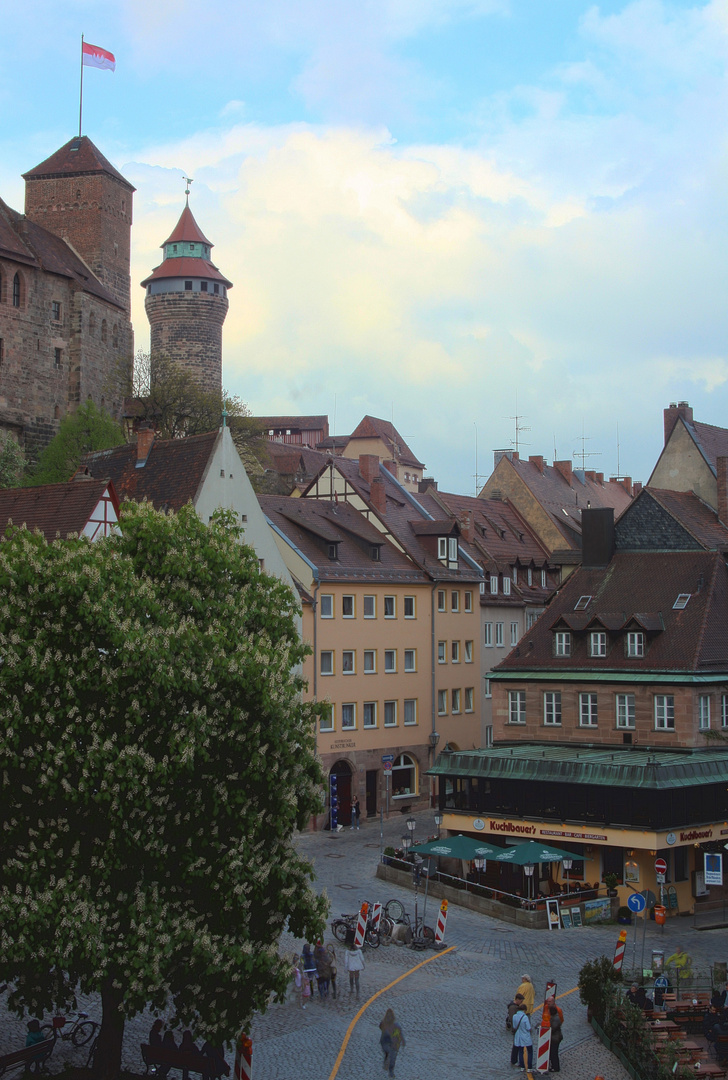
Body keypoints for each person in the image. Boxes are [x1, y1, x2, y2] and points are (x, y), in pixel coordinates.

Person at [379, 1009, 405, 1078]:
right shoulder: (394, 1025)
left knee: (389, 1055)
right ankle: (390, 1071)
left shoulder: (387, 1024)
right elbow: (400, 1033)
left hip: (389, 1043)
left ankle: (389, 1069)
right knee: (391, 1057)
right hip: (390, 1043)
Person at [512, 1002, 533, 1071]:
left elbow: (514, 1026)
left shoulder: (514, 1016)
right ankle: (529, 1067)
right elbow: (528, 1028)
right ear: (524, 1010)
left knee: (521, 1051)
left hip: (518, 1037)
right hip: (526, 1036)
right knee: (530, 1051)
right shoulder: (525, 1017)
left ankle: (522, 1066)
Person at [549, 1003, 563, 1073]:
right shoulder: (555, 1017)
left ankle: (555, 1067)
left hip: (555, 1038)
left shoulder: (555, 1019)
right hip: (555, 1038)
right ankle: (554, 1066)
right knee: (553, 1052)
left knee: (553, 1053)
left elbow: (553, 1028)